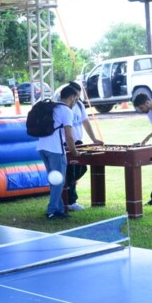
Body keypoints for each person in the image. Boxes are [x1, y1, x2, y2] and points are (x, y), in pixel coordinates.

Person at [36, 83, 79, 219]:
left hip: (42, 147)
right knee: (58, 181)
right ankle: (52, 210)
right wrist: (75, 152)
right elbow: (69, 136)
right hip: (55, 150)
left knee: (54, 180)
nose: (75, 102)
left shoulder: (52, 107)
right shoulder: (66, 111)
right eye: (76, 99)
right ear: (72, 97)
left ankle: (59, 209)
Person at [65, 85, 103, 209]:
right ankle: (71, 201)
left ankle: (68, 190)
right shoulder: (64, 107)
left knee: (82, 169)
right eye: (75, 95)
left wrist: (94, 139)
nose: (77, 98)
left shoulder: (80, 105)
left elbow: (85, 122)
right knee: (71, 172)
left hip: (79, 142)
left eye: (78, 95)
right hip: (67, 144)